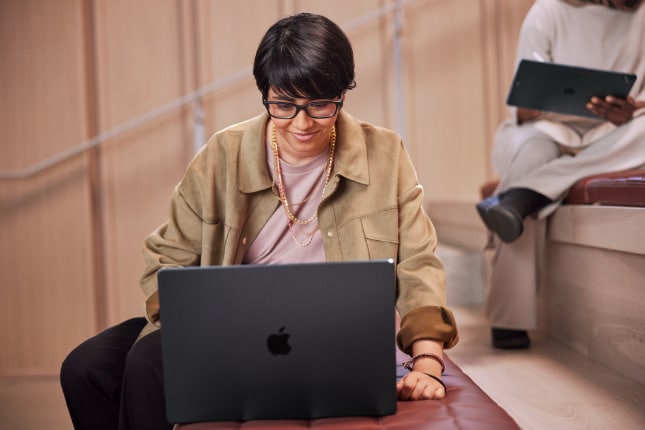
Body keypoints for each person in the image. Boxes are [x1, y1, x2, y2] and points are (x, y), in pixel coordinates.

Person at [60, 12, 459, 430]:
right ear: (265, 94)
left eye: (320, 105)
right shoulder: (223, 156)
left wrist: (428, 361)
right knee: (84, 369)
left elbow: (418, 264)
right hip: (228, 325)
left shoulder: (385, 155)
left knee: (146, 363)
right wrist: (196, 324)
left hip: (329, 336)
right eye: (284, 105)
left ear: (343, 93)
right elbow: (167, 257)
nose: (302, 123)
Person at [476, 0, 645, 349]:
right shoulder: (548, 11)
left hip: (614, 135)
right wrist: (555, 97)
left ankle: (522, 196)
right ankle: (510, 319)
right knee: (532, 154)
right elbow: (522, 106)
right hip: (547, 130)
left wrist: (629, 110)